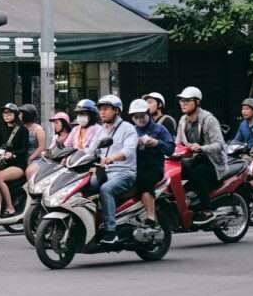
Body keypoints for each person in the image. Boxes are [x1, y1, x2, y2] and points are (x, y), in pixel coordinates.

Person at [90, 95, 138, 245]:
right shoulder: (101, 131)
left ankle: (111, 231)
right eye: (100, 109)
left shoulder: (128, 128)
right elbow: (90, 150)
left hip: (124, 172)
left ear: (116, 110)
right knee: (85, 186)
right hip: (104, 172)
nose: (102, 112)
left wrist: (112, 158)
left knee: (106, 189)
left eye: (106, 109)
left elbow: (128, 151)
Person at [174, 86, 225, 217]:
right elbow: (178, 143)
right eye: (181, 101)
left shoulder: (209, 120)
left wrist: (201, 148)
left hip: (212, 162)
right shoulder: (182, 121)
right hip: (193, 159)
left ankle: (207, 209)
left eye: (187, 101)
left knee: (197, 173)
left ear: (197, 102)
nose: (183, 104)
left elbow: (219, 145)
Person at [127, 99, 173, 228]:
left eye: (142, 116)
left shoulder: (160, 129)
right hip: (134, 167)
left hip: (153, 168)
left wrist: (157, 143)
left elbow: (170, 149)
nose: (140, 119)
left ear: (148, 114)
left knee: (144, 181)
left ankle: (150, 217)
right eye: (136, 117)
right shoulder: (131, 131)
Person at [0, 103, 30, 213]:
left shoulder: (22, 130)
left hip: (18, 165)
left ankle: (10, 207)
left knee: (0, 177)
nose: (6, 115)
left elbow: (24, 149)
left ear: (16, 115)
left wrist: (12, 154)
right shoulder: (2, 129)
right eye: (4, 113)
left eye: (9, 113)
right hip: (4, 163)